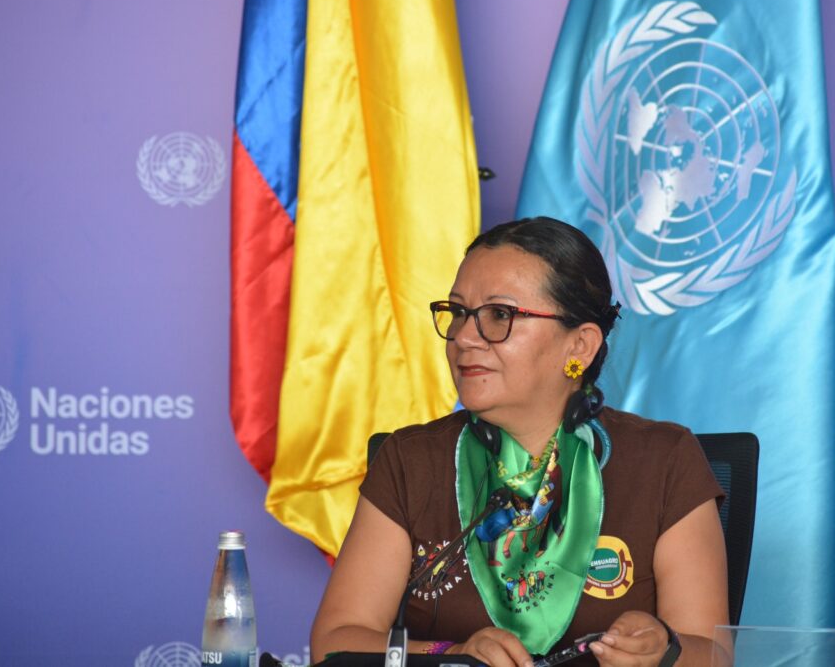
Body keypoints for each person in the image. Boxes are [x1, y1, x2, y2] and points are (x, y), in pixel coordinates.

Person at [311, 217, 729, 667]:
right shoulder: (411, 461)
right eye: (458, 312)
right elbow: (335, 642)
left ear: (580, 347)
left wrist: (664, 648)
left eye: (500, 315)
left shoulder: (663, 461)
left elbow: (716, 655)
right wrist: (452, 655)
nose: (464, 338)